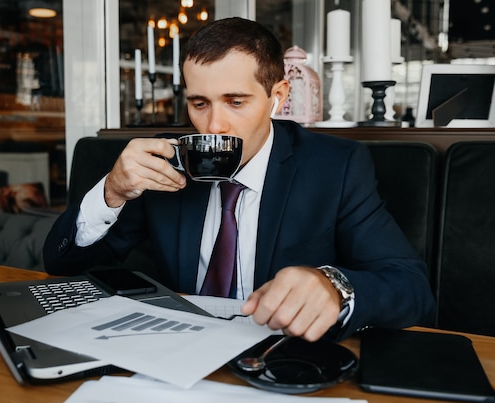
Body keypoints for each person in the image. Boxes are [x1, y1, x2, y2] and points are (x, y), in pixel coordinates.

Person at [44, 17, 435, 342]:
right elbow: (63, 266)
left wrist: (334, 285)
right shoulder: (166, 160)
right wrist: (112, 191)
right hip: (174, 345)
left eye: (235, 102)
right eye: (199, 104)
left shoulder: (335, 165)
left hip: (281, 354)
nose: (214, 126)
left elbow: (411, 288)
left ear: (277, 96)